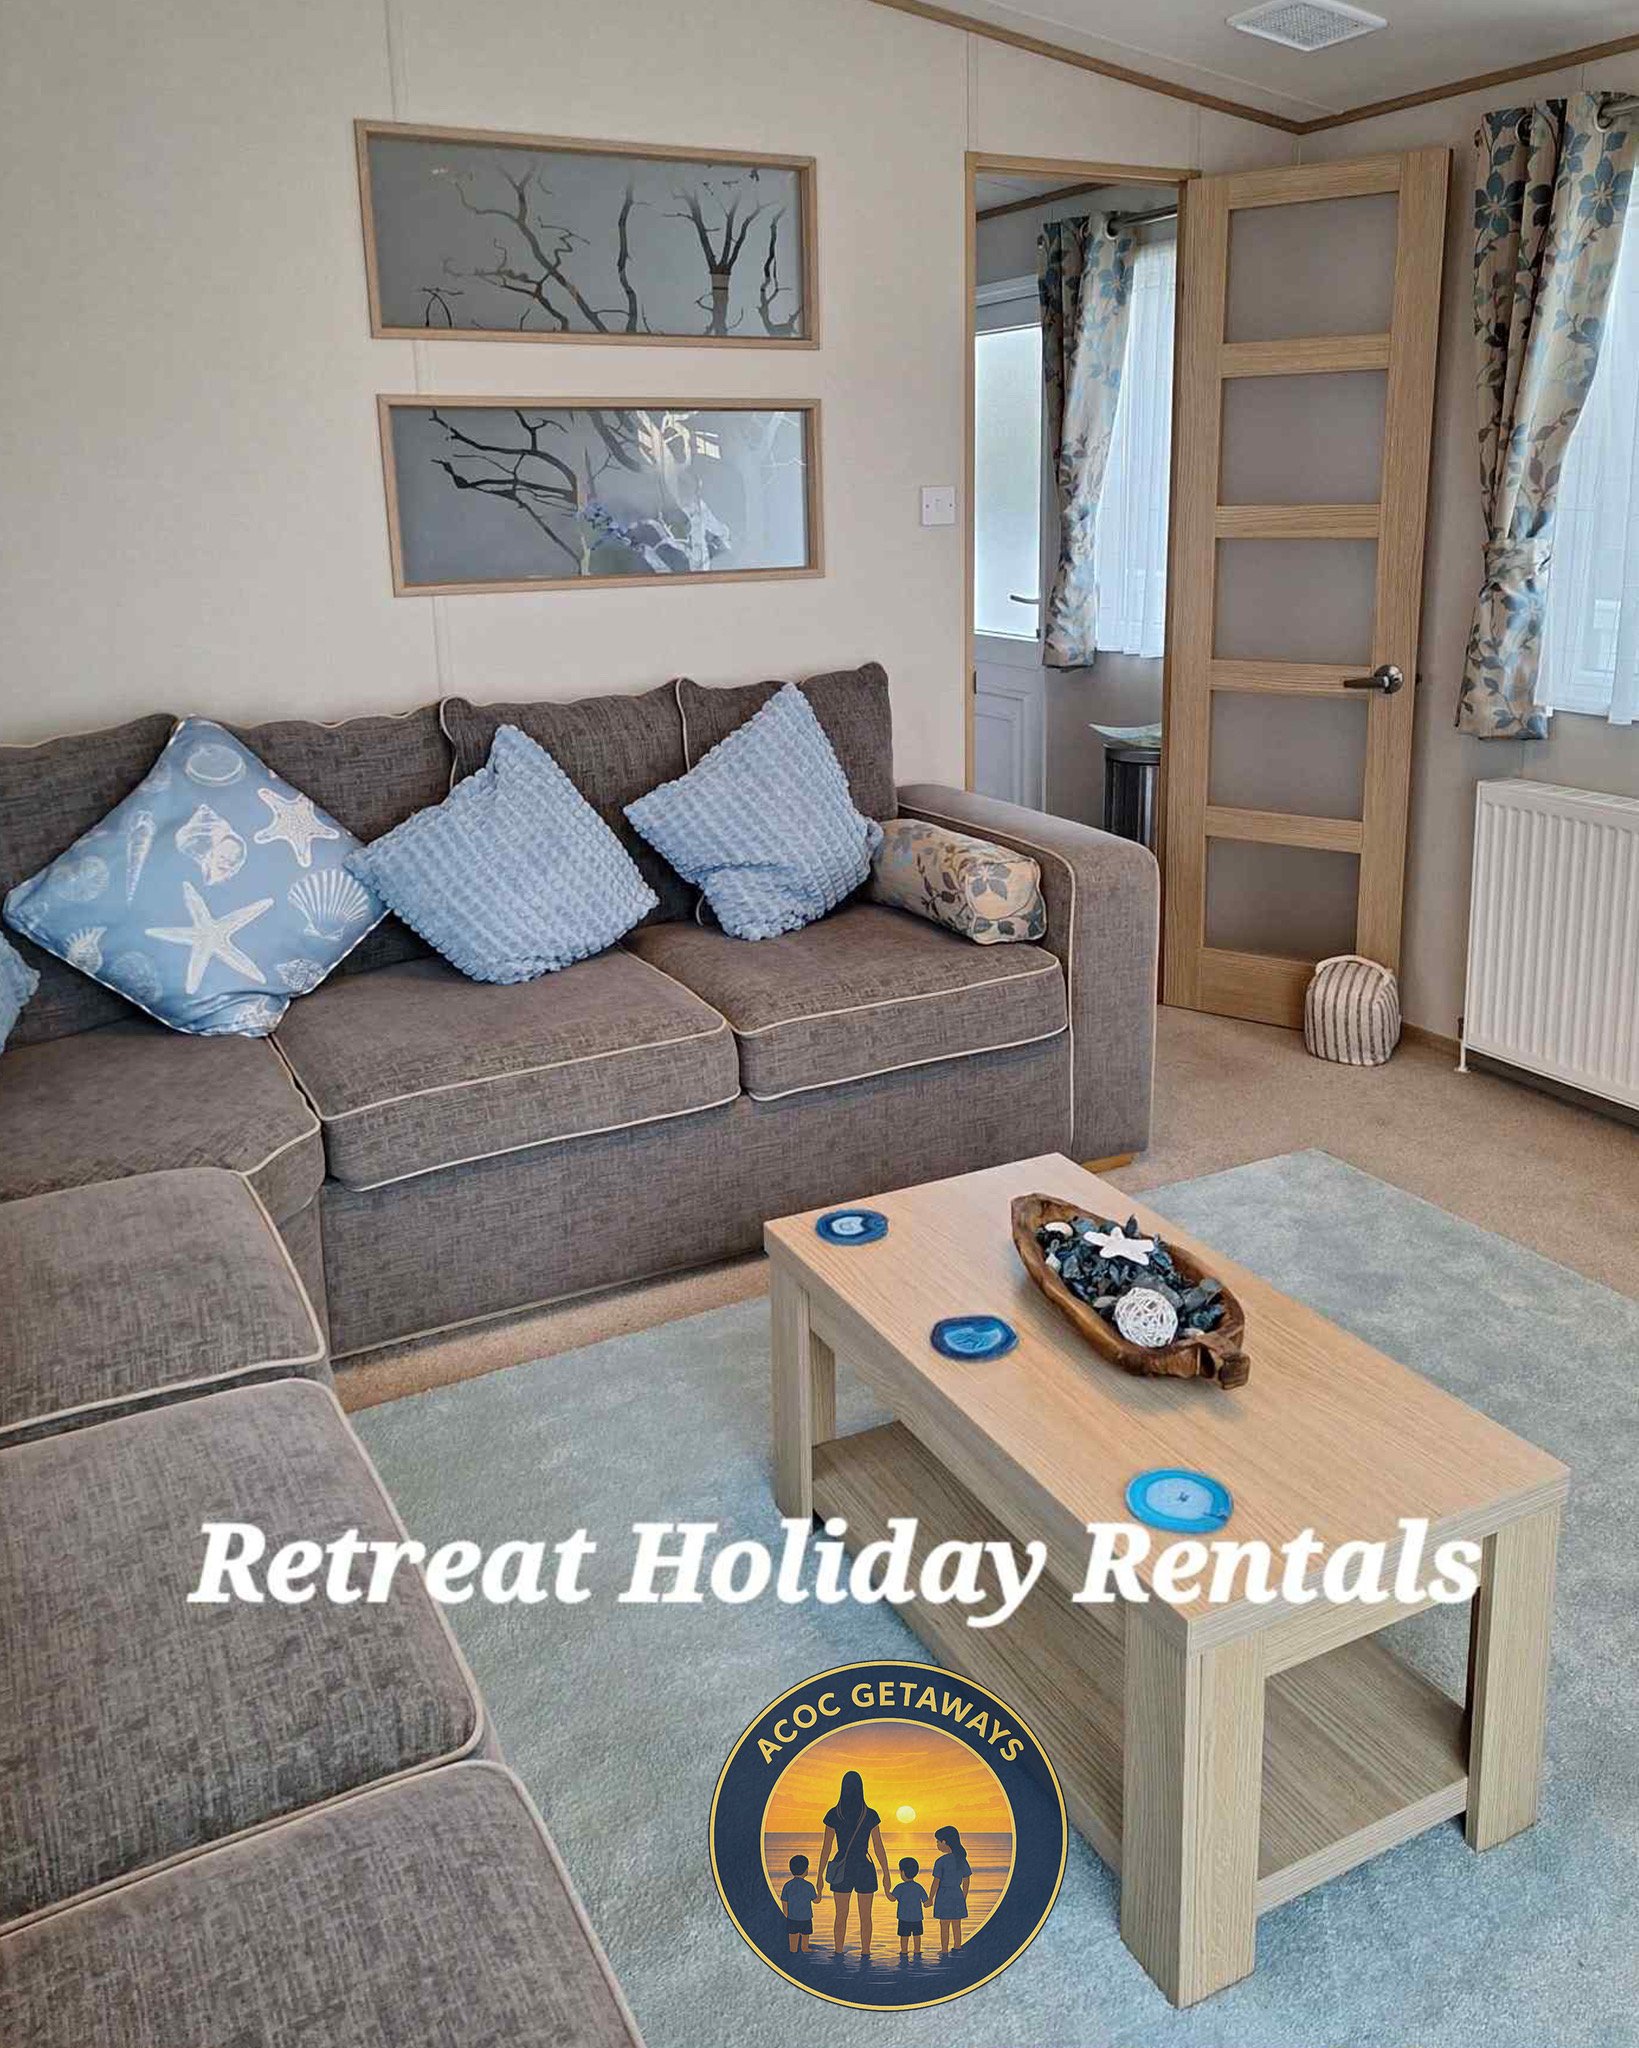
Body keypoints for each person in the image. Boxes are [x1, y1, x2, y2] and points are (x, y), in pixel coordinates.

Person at [814, 1769, 892, 1959]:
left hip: (842, 1867)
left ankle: (838, 1952)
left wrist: (819, 1877)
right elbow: (878, 1847)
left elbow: (826, 1849)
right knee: (866, 1917)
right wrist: (887, 1875)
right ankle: (865, 1953)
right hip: (865, 1867)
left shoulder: (834, 1814)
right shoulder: (870, 1814)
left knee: (841, 1915)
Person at [931, 1826, 972, 1955]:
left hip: (944, 1895)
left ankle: (944, 1950)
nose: (937, 1844)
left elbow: (936, 1882)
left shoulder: (941, 1861)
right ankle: (957, 1947)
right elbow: (966, 1879)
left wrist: (930, 1898)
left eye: (938, 1841)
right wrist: (963, 1896)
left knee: (944, 1924)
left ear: (944, 1842)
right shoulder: (961, 1859)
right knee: (956, 1924)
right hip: (957, 1894)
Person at [889, 1856, 928, 1960]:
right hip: (917, 1917)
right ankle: (917, 1951)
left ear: (902, 1872)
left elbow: (892, 1898)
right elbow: (926, 1901)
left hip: (904, 1918)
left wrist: (886, 1890)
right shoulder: (918, 1887)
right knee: (917, 1936)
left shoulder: (900, 1887)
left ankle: (904, 1951)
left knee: (904, 1936)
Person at [780, 1853, 817, 1955]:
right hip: (806, 1918)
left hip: (792, 1918)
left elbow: (784, 1901)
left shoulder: (787, 1885)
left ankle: (793, 1950)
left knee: (793, 1938)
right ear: (806, 1870)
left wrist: (787, 1915)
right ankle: (805, 1948)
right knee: (805, 1938)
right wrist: (820, 1893)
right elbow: (815, 1900)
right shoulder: (809, 1886)